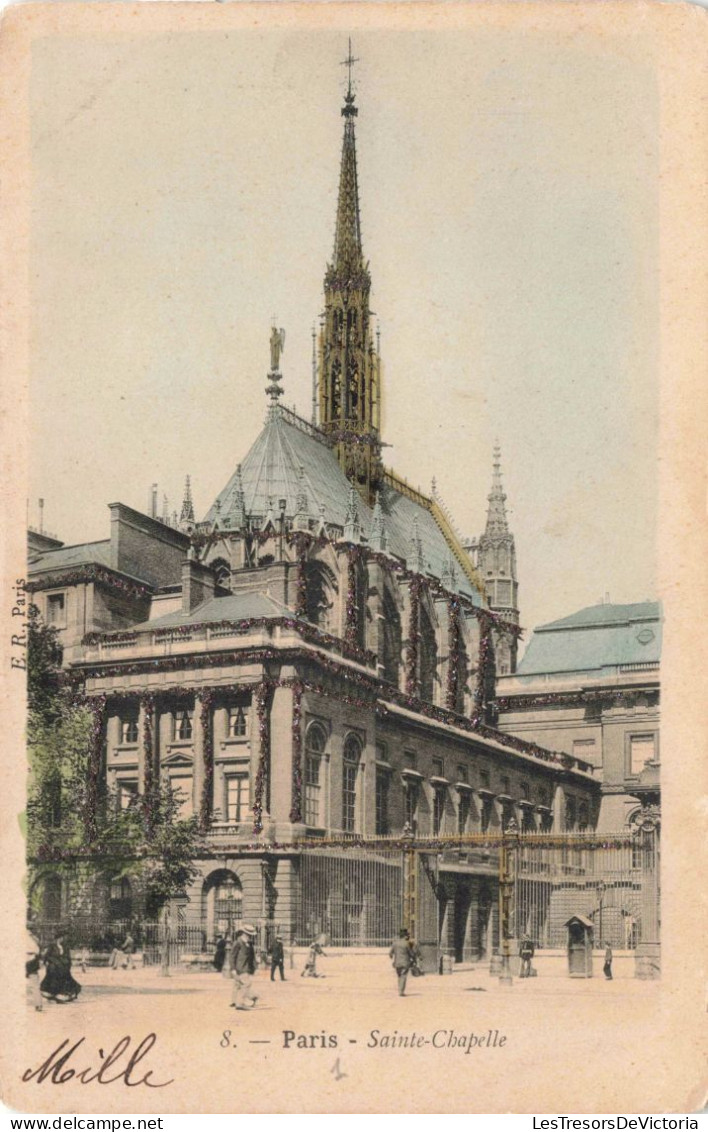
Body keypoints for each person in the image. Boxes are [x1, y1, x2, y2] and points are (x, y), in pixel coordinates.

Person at [40, 934, 81, 1003]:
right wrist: (49, 962)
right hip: (54, 967)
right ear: (56, 939)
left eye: (62, 938)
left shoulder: (65, 947)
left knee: (66, 979)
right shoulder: (52, 946)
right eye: (59, 938)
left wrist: (68, 964)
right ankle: (53, 994)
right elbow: (47, 956)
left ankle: (64, 995)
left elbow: (68, 957)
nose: (61, 940)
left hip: (63, 967)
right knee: (54, 979)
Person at [229, 925, 259, 1010]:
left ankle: (234, 1001)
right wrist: (233, 969)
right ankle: (240, 1003)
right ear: (244, 934)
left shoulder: (249, 943)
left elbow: (252, 957)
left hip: (246, 967)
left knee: (238, 984)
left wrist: (255, 968)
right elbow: (232, 957)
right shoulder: (238, 943)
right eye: (249, 935)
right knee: (246, 984)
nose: (250, 936)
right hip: (240, 968)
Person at [389, 928, 414, 996]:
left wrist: (392, 957)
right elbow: (411, 953)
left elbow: (390, 953)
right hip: (405, 963)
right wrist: (413, 958)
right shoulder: (406, 943)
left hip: (397, 963)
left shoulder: (395, 943)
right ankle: (401, 991)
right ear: (405, 936)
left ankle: (400, 989)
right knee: (403, 976)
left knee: (399, 976)